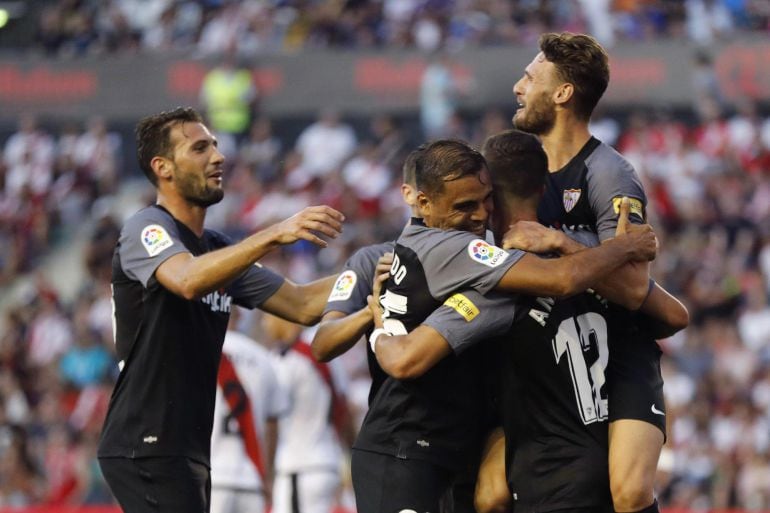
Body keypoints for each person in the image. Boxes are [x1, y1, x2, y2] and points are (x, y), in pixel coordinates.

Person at [368, 130, 687, 513]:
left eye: (481, 202)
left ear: (492, 195)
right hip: (608, 453)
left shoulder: (493, 287)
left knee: (488, 495)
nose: (479, 216)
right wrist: (620, 247)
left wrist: (379, 329)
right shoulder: (596, 259)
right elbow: (674, 315)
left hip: (543, 477)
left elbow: (406, 358)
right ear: (542, 188)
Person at [96, 107, 345, 513]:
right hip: (146, 441)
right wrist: (275, 233)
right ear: (164, 168)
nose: (218, 156)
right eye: (199, 148)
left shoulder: (216, 249)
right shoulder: (146, 227)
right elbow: (189, 280)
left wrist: (382, 269)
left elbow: (303, 304)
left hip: (189, 447)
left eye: (214, 145)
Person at [513, 32, 670, 513]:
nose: (518, 87)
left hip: (619, 351)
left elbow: (633, 287)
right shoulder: (516, 172)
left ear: (563, 94)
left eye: (530, 76)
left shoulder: (608, 174)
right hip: (549, 354)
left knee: (628, 492)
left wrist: (560, 243)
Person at [262, 314, 355, 513]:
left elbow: (271, 419)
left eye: (267, 318)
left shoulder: (283, 360)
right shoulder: (327, 351)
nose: (264, 324)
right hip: (327, 462)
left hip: (298, 466)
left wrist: (266, 472)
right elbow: (344, 409)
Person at [210, 307, 287, 513]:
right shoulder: (263, 358)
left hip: (212, 477)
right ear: (240, 316)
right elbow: (273, 424)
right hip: (251, 478)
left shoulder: (202, 350)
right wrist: (268, 475)